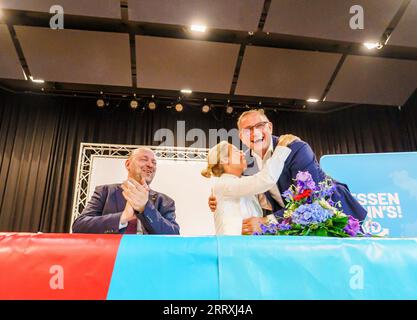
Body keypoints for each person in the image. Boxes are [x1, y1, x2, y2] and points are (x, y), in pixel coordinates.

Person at [209, 109, 368, 235]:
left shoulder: (295, 148)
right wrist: (218, 198)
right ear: (241, 136)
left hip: (332, 215)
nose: (254, 132)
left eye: (259, 126)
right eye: (248, 129)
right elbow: (250, 192)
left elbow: (311, 200)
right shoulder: (247, 166)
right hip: (294, 225)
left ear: (269, 127)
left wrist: (266, 221)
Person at [72, 147, 180, 235]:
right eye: (144, 159)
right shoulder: (105, 192)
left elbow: (173, 234)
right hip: (112, 258)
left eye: (154, 162)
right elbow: (79, 226)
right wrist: (123, 217)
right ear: (128, 164)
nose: (150, 165)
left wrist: (146, 208)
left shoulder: (166, 201)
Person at [201, 138, 293, 235]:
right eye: (236, 151)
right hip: (233, 246)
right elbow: (265, 179)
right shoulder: (224, 184)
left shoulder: (238, 184)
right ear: (225, 160)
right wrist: (281, 149)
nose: (243, 153)